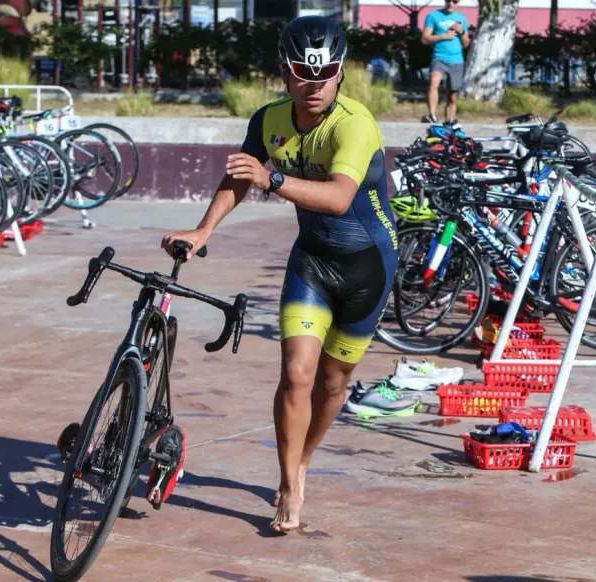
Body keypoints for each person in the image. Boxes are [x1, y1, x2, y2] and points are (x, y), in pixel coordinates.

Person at [161, 15, 407, 533]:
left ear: (340, 74)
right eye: (302, 72)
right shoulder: (269, 119)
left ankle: (306, 457)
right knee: (296, 375)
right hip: (312, 262)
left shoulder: (355, 124)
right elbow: (240, 176)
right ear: (285, 71)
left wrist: (273, 177)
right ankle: (289, 481)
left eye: (326, 73)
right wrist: (205, 230)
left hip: (369, 268)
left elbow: (339, 198)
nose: (314, 85)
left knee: (333, 386)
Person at [420, 0, 470, 124]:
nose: (451, 4)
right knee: (433, 82)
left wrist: (461, 31)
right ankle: (432, 115)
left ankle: (450, 121)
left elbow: (466, 44)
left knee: (452, 96)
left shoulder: (461, 18)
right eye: (449, 1)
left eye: (455, 2)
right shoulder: (433, 16)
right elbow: (425, 39)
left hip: (457, 60)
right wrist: (443, 36)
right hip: (439, 58)